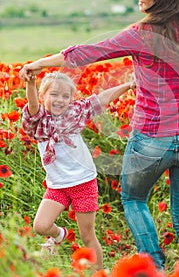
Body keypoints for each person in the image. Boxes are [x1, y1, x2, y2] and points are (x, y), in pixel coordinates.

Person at [19, 0, 179, 270]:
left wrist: (41, 63)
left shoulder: (142, 34)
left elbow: (88, 52)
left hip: (151, 140)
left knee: (134, 200)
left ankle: (155, 268)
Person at [22, 71, 135, 271]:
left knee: (87, 236)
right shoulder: (39, 121)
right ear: (43, 96)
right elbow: (32, 107)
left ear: (71, 99)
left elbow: (101, 99)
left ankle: (99, 272)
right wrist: (30, 84)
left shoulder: (75, 113)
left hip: (83, 183)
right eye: (54, 94)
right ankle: (59, 235)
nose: (60, 100)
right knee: (40, 226)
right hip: (57, 185)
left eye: (66, 96)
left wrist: (128, 85)